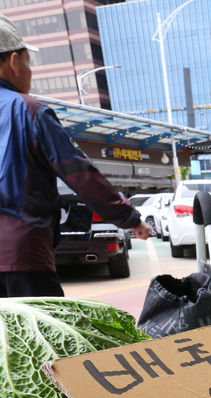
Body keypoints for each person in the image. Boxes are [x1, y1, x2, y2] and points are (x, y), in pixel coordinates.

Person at [0, 15, 149, 297]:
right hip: (23, 256)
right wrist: (130, 218)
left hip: (19, 254)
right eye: (28, 61)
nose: (30, 70)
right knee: (39, 338)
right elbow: (81, 175)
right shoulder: (29, 111)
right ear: (13, 62)